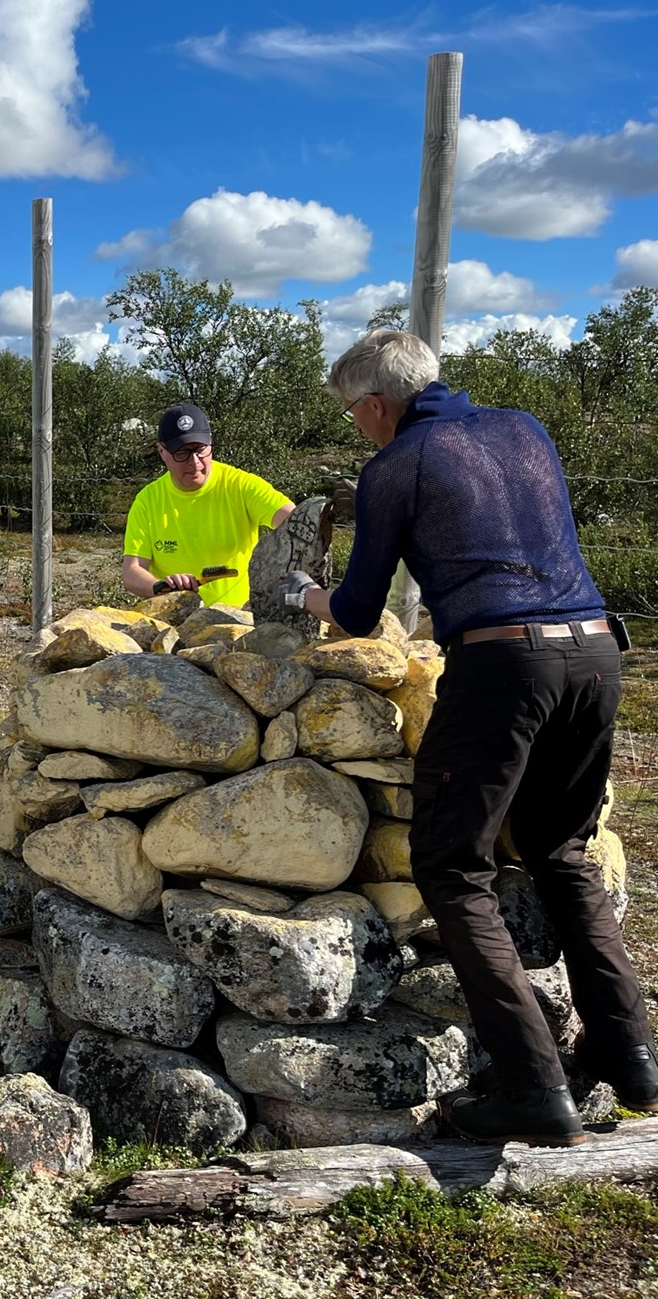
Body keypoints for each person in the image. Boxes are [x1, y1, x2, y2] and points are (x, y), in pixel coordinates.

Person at [285, 329, 656, 1145]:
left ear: (377, 405)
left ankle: (534, 1089)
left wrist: (304, 592)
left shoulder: (393, 467)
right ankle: (632, 1059)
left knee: (453, 864)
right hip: (596, 652)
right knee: (561, 852)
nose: (356, 426)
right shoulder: (526, 428)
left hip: (501, 666)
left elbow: (353, 610)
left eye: (354, 413)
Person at [120, 403, 293, 609]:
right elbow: (132, 572)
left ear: (211, 443)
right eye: (182, 453)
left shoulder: (241, 485)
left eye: (200, 450)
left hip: (239, 617)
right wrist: (160, 586)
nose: (194, 462)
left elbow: (295, 520)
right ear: (161, 451)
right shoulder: (147, 501)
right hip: (175, 616)